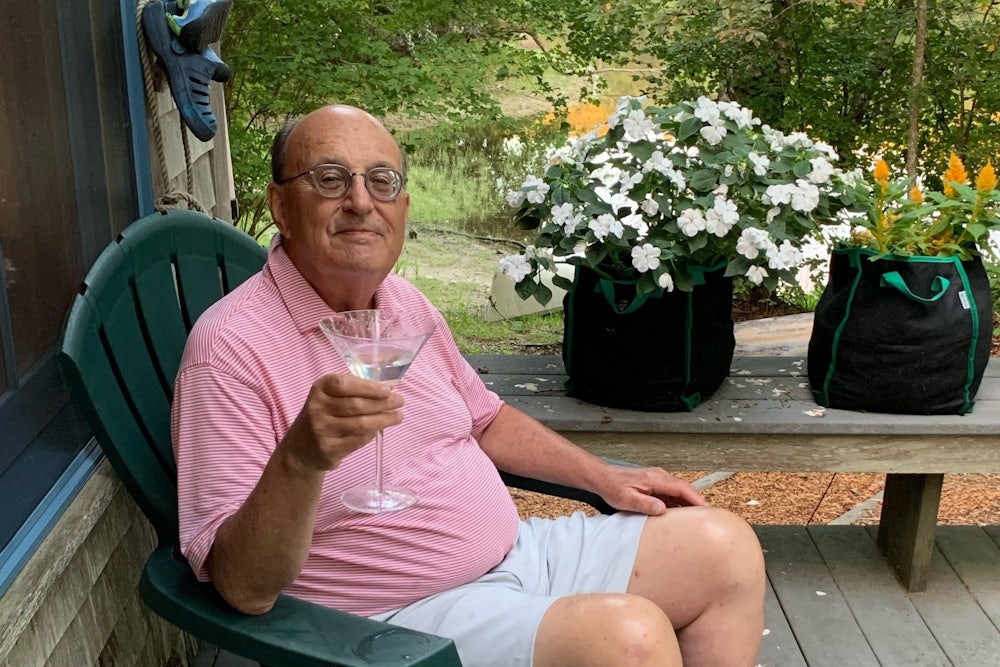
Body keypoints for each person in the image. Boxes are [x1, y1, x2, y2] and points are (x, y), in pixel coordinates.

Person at [172, 103, 766, 667]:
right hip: (389, 621)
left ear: (403, 206)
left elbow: (484, 419)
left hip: (513, 555)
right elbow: (241, 586)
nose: (360, 201)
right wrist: (301, 459)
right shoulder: (230, 349)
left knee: (724, 547)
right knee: (628, 640)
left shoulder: (402, 302)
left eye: (382, 181)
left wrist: (601, 477)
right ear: (280, 204)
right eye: (330, 179)